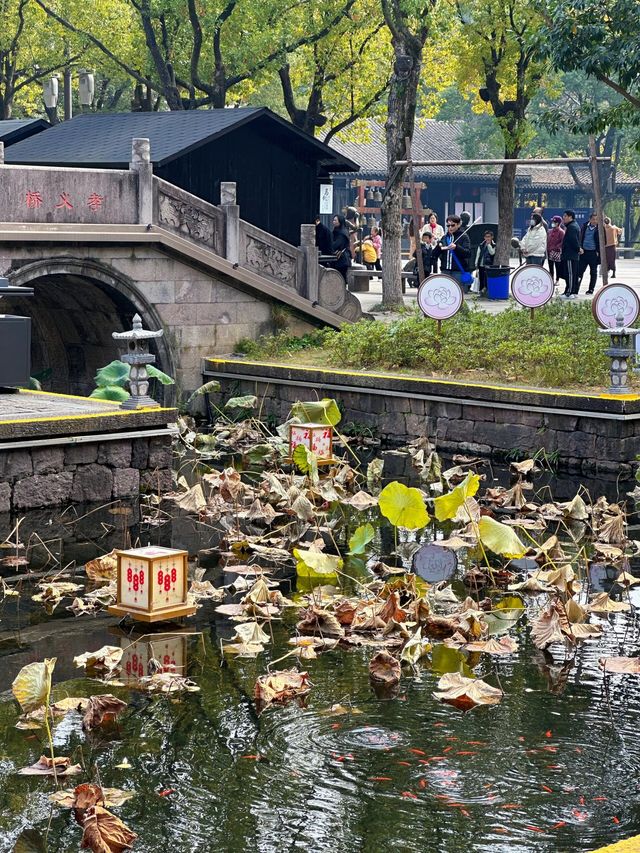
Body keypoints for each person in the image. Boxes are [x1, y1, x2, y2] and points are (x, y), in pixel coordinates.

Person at [437, 214, 471, 290]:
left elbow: (468, 253)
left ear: (458, 225)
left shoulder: (464, 237)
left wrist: (456, 247)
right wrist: (438, 247)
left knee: (458, 295)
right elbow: (436, 254)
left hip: (458, 271)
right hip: (445, 271)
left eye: (452, 225)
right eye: (448, 226)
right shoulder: (445, 237)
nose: (450, 228)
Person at [577, 211, 600, 295]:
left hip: (593, 253)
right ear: (590, 219)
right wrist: (580, 247)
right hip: (584, 253)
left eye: (597, 219)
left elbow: (603, 241)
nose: (595, 221)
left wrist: (599, 252)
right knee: (579, 271)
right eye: (593, 219)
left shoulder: (600, 228)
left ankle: (591, 289)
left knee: (593, 272)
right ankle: (576, 288)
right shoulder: (584, 226)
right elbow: (580, 238)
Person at [560, 209, 581, 298]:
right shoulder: (571, 226)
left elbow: (573, 240)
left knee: (571, 274)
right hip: (570, 254)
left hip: (570, 254)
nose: (563, 218)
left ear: (570, 217)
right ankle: (569, 291)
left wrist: (578, 249)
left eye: (565, 216)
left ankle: (570, 292)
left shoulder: (572, 227)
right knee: (571, 273)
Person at [329, 214, 352, 282]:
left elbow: (336, 245)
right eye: (333, 220)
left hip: (342, 259)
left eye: (335, 220)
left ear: (340, 221)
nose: (334, 222)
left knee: (341, 279)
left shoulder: (342, 233)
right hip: (337, 259)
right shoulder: (336, 231)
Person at [547, 215, 565, 283]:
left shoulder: (561, 232)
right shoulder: (550, 231)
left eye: (554, 222)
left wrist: (556, 247)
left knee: (557, 267)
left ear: (558, 223)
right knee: (550, 267)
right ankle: (551, 279)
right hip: (549, 252)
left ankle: (557, 280)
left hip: (557, 252)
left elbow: (562, 242)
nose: (553, 223)